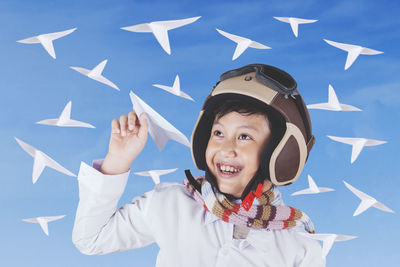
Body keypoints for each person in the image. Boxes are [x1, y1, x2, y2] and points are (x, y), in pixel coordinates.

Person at [72, 64, 325, 266]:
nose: (226, 149)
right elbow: (91, 239)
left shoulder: (298, 246)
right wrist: (117, 161)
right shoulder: (170, 204)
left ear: (281, 153)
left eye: (245, 137)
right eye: (218, 133)